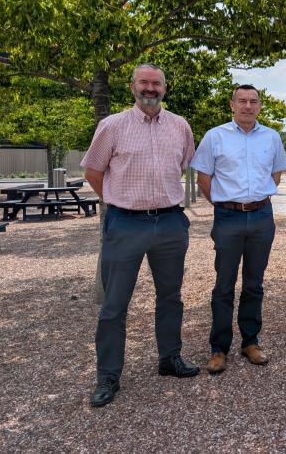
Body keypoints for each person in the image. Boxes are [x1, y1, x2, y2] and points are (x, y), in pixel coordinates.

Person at [82, 63, 199, 409]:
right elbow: (93, 171)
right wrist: (120, 202)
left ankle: (169, 358)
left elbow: (182, 165)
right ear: (132, 86)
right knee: (114, 304)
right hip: (125, 223)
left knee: (171, 296)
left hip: (169, 223)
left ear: (164, 88)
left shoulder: (180, 126)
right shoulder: (112, 125)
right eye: (144, 83)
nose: (150, 88)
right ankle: (108, 375)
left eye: (156, 83)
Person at [191, 84, 286, 374]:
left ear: (259, 106)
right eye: (242, 101)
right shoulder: (215, 136)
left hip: (261, 217)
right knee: (224, 285)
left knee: (254, 284)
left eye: (253, 101)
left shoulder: (271, 137)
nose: (248, 106)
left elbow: (276, 174)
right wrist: (225, 205)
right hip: (228, 218)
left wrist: (256, 199)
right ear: (232, 105)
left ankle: (250, 342)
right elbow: (203, 178)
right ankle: (218, 348)